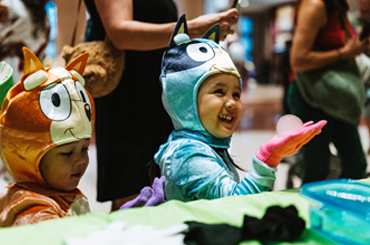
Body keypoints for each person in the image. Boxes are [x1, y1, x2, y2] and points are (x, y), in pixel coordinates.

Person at [84, 0, 240, 211]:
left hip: (154, 93)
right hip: (130, 96)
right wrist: (194, 29)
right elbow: (119, 32)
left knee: (160, 193)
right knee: (133, 197)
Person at [153, 15, 327, 201]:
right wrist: (268, 157)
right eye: (219, 91)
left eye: (236, 94)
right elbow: (235, 204)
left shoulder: (203, 146)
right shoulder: (188, 156)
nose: (231, 103)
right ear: (184, 101)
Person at [0, 48, 94, 227]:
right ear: (28, 155)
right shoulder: (33, 209)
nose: (80, 160)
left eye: (84, 148)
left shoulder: (60, 192)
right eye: (67, 153)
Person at [288, 0, 370, 184]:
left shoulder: (338, 6)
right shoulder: (315, 5)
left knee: (355, 164)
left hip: (336, 96)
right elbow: (298, 60)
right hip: (310, 95)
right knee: (316, 167)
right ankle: (311, 211)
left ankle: (341, 209)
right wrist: (345, 53)